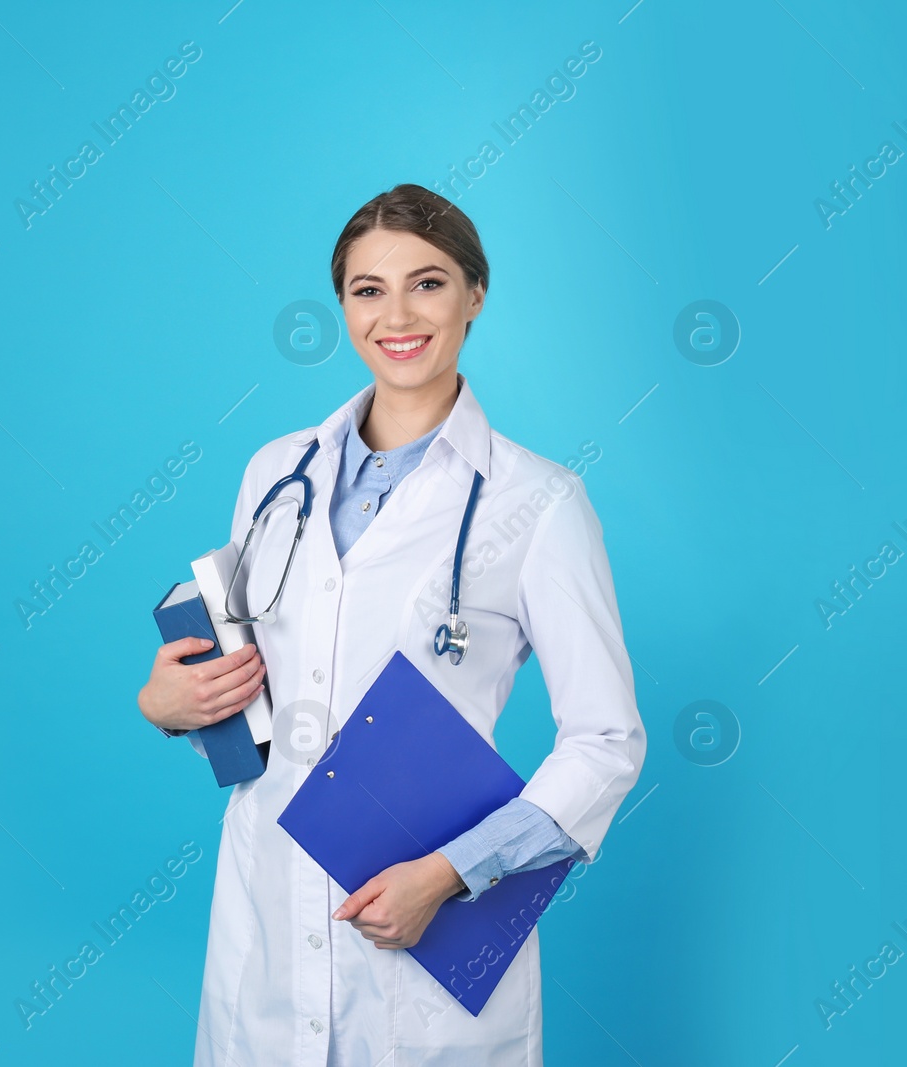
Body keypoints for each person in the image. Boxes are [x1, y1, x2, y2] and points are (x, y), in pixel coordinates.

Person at [137, 183, 646, 1066]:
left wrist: (453, 874)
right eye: (369, 289)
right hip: (266, 925)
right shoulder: (275, 472)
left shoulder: (540, 503)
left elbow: (606, 741)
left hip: (423, 947)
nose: (397, 314)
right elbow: (253, 698)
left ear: (475, 294)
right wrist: (174, 704)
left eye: (429, 282)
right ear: (341, 305)